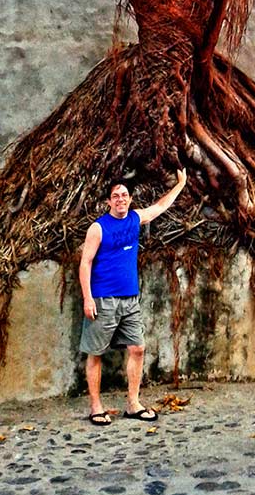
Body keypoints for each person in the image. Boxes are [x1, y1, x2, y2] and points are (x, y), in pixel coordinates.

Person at [79, 168, 187, 426]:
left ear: (130, 199)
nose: (120, 199)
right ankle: (96, 407)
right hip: (103, 298)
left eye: (124, 195)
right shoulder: (98, 228)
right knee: (96, 353)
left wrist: (180, 184)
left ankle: (133, 404)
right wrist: (88, 298)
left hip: (130, 299)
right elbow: (85, 263)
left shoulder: (135, 219)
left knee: (137, 348)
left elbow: (160, 207)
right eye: (115, 196)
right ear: (108, 201)